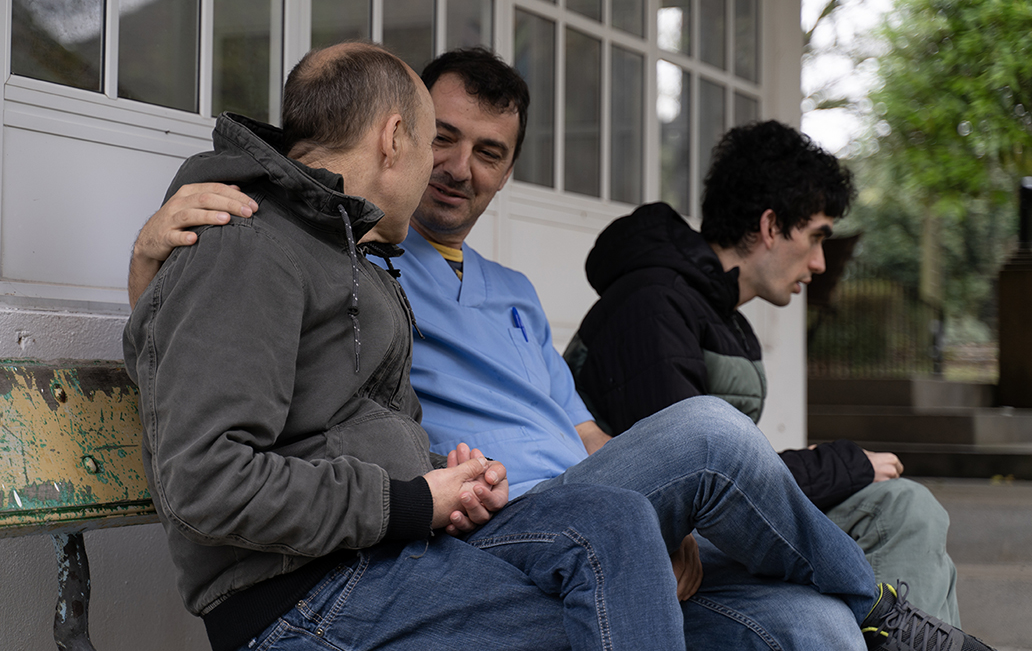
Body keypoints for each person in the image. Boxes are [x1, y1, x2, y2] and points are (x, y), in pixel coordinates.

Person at [128, 48, 993, 651]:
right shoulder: (303, 245)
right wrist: (150, 266)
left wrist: (665, 507)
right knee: (706, 439)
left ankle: (869, 615)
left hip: (488, 524)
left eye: (488, 152)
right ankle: (883, 607)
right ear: (399, 137)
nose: (453, 167)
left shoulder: (378, 266)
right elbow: (206, 415)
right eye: (440, 138)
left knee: (810, 624)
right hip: (369, 570)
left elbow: (558, 438)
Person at [122, 41, 694, 651]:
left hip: (378, 556)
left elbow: (326, 423)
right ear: (394, 138)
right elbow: (206, 482)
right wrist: (414, 500)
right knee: (603, 621)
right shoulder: (247, 242)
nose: (437, 172)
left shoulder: (346, 252)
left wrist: (445, 490)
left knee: (618, 525)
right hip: (301, 595)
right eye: (431, 146)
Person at [566, 120, 961, 624]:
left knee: (911, 517)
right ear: (772, 226)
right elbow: (697, 468)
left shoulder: (717, 312)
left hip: (712, 514)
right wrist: (841, 463)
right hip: (658, 530)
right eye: (816, 237)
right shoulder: (654, 304)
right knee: (899, 510)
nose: (820, 262)